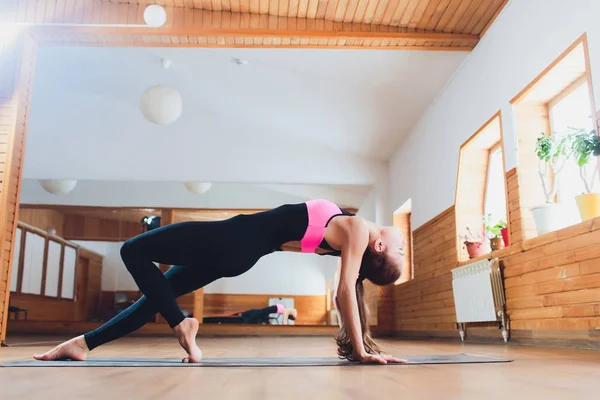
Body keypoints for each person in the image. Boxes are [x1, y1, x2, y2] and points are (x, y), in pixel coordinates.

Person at [34, 199, 406, 364]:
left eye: (399, 251)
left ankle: (181, 323)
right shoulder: (342, 239)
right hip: (238, 254)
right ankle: (82, 343)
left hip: (232, 239)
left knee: (132, 250)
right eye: (403, 251)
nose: (402, 247)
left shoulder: (356, 228)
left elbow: (344, 291)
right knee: (152, 298)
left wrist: (359, 349)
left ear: (378, 245)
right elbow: (348, 289)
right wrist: (360, 345)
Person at [203, 304, 298, 325]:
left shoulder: (284, 310)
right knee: (239, 319)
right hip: (255, 314)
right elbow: (285, 319)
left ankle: (207, 320)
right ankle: (206, 320)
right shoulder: (290, 310)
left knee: (238, 319)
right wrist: (285, 323)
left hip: (256, 314)